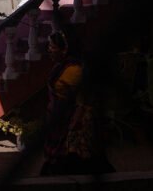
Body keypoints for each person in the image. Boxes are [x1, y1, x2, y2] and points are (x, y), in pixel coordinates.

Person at [40, 31, 113, 175]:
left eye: (53, 47)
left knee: (74, 160)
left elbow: (83, 97)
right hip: (58, 118)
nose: (49, 50)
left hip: (71, 120)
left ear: (64, 49)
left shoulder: (74, 70)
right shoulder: (60, 66)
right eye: (49, 46)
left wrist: (76, 120)